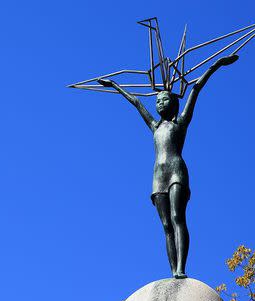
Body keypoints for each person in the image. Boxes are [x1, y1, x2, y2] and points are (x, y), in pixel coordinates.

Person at [98, 54, 238, 278]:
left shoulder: (180, 123)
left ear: (173, 103)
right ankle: (173, 269)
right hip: (158, 176)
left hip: (176, 172)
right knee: (165, 226)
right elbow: (136, 102)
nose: (159, 103)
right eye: (158, 100)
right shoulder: (155, 126)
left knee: (177, 217)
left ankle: (181, 268)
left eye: (164, 100)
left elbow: (196, 89)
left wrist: (216, 65)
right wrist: (115, 85)